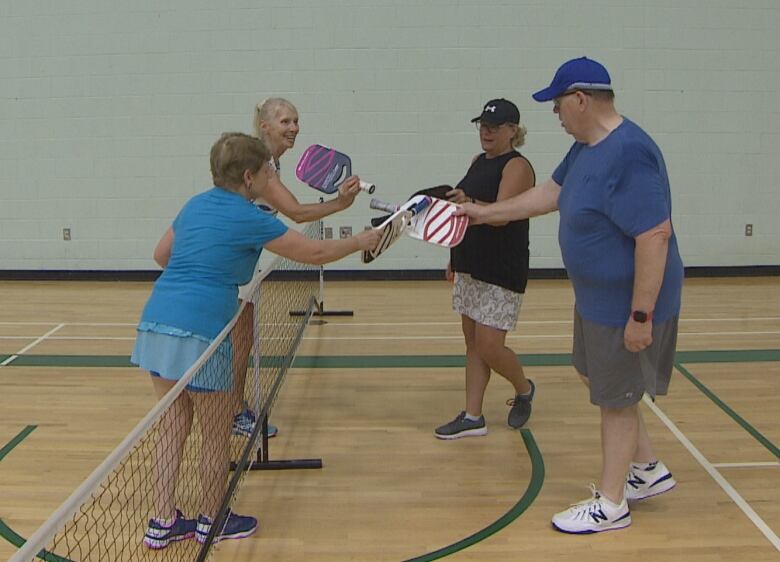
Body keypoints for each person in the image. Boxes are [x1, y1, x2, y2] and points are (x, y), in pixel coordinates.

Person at [457, 57, 684, 534]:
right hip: (596, 299)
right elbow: (547, 195)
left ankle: (612, 503)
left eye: (558, 104)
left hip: (628, 303)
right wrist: (482, 213)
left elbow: (655, 235)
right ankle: (646, 469)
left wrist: (641, 315)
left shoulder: (629, 152)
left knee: (616, 401)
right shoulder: (585, 148)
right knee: (592, 375)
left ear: (581, 99)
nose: (555, 114)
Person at [133, 132, 380, 549]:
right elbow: (313, 254)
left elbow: (161, 256)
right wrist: (360, 241)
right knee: (214, 433)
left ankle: (162, 521)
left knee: (173, 425)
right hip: (202, 334)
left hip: (157, 322)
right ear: (250, 177)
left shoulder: (195, 204)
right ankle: (211, 520)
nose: (273, 174)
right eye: (268, 170)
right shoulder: (251, 217)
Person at [232, 97, 362, 439]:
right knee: (239, 340)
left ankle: (232, 407)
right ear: (265, 126)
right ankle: (232, 412)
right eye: (285, 122)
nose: (294, 128)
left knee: (242, 339)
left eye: (296, 121)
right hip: (231, 260)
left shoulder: (270, 161)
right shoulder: (260, 162)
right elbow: (297, 213)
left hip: (247, 258)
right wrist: (340, 203)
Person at [434, 98, 536, 440]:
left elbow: (501, 214)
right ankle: (473, 415)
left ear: (513, 131)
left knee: (491, 345)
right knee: (473, 343)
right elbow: (463, 213)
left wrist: (471, 204)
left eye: (495, 126)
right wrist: (453, 256)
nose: (487, 132)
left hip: (501, 266)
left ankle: (523, 389)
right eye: (483, 125)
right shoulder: (478, 161)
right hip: (470, 262)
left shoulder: (517, 167)